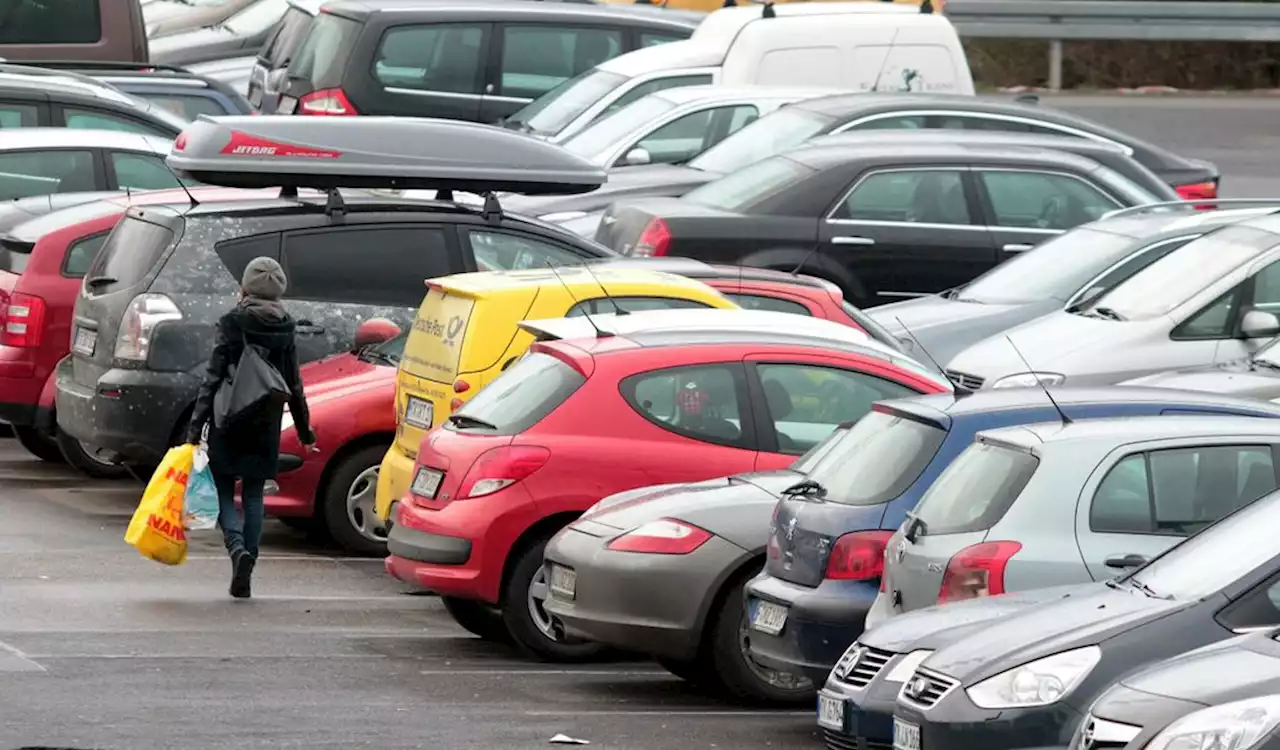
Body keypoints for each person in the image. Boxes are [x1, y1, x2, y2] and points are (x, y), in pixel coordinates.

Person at [186, 257, 314, 599]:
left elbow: (212, 377)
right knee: (254, 494)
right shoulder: (285, 326)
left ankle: (236, 549)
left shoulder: (232, 322)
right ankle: (249, 565)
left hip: (228, 417)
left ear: (245, 286)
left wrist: (194, 429)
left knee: (225, 491)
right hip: (265, 420)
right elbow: (294, 383)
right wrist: (305, 431)